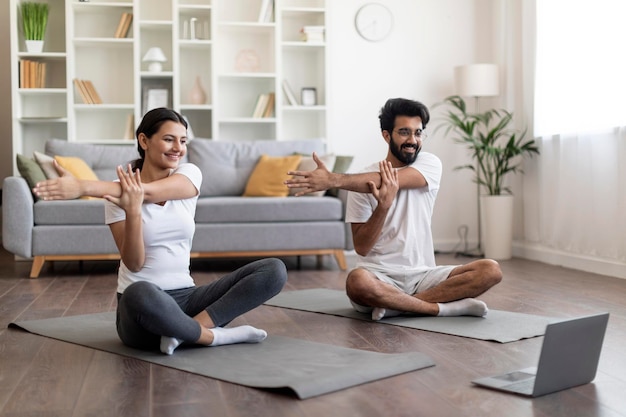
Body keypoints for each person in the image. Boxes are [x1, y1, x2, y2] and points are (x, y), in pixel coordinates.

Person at [33, 108, 287, 354]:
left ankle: (187, 331)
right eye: (168, 139)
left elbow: (150, 192)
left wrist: (82, 186)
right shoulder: (113, 195)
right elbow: (134, 264)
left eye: (183, 141)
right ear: (144, 140)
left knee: (273, 270)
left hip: (188, 300)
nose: (178, 148)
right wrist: (132, 211)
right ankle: (213, 336)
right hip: (143, 313)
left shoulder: (189, 174)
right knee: (138, 292)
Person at [285, 98, 502, 320]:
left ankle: (398, 306)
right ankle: (441, 308)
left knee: (490, 270)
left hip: (423, 276)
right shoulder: (359, 183)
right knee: (356, 282)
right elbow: (361, 248)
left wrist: (333, 180)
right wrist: (383, 206)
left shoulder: (430, 164)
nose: (413, 140)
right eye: (404, 132)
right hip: (379, 278)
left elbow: (389, 180)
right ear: (386, 135)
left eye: (418, 133)